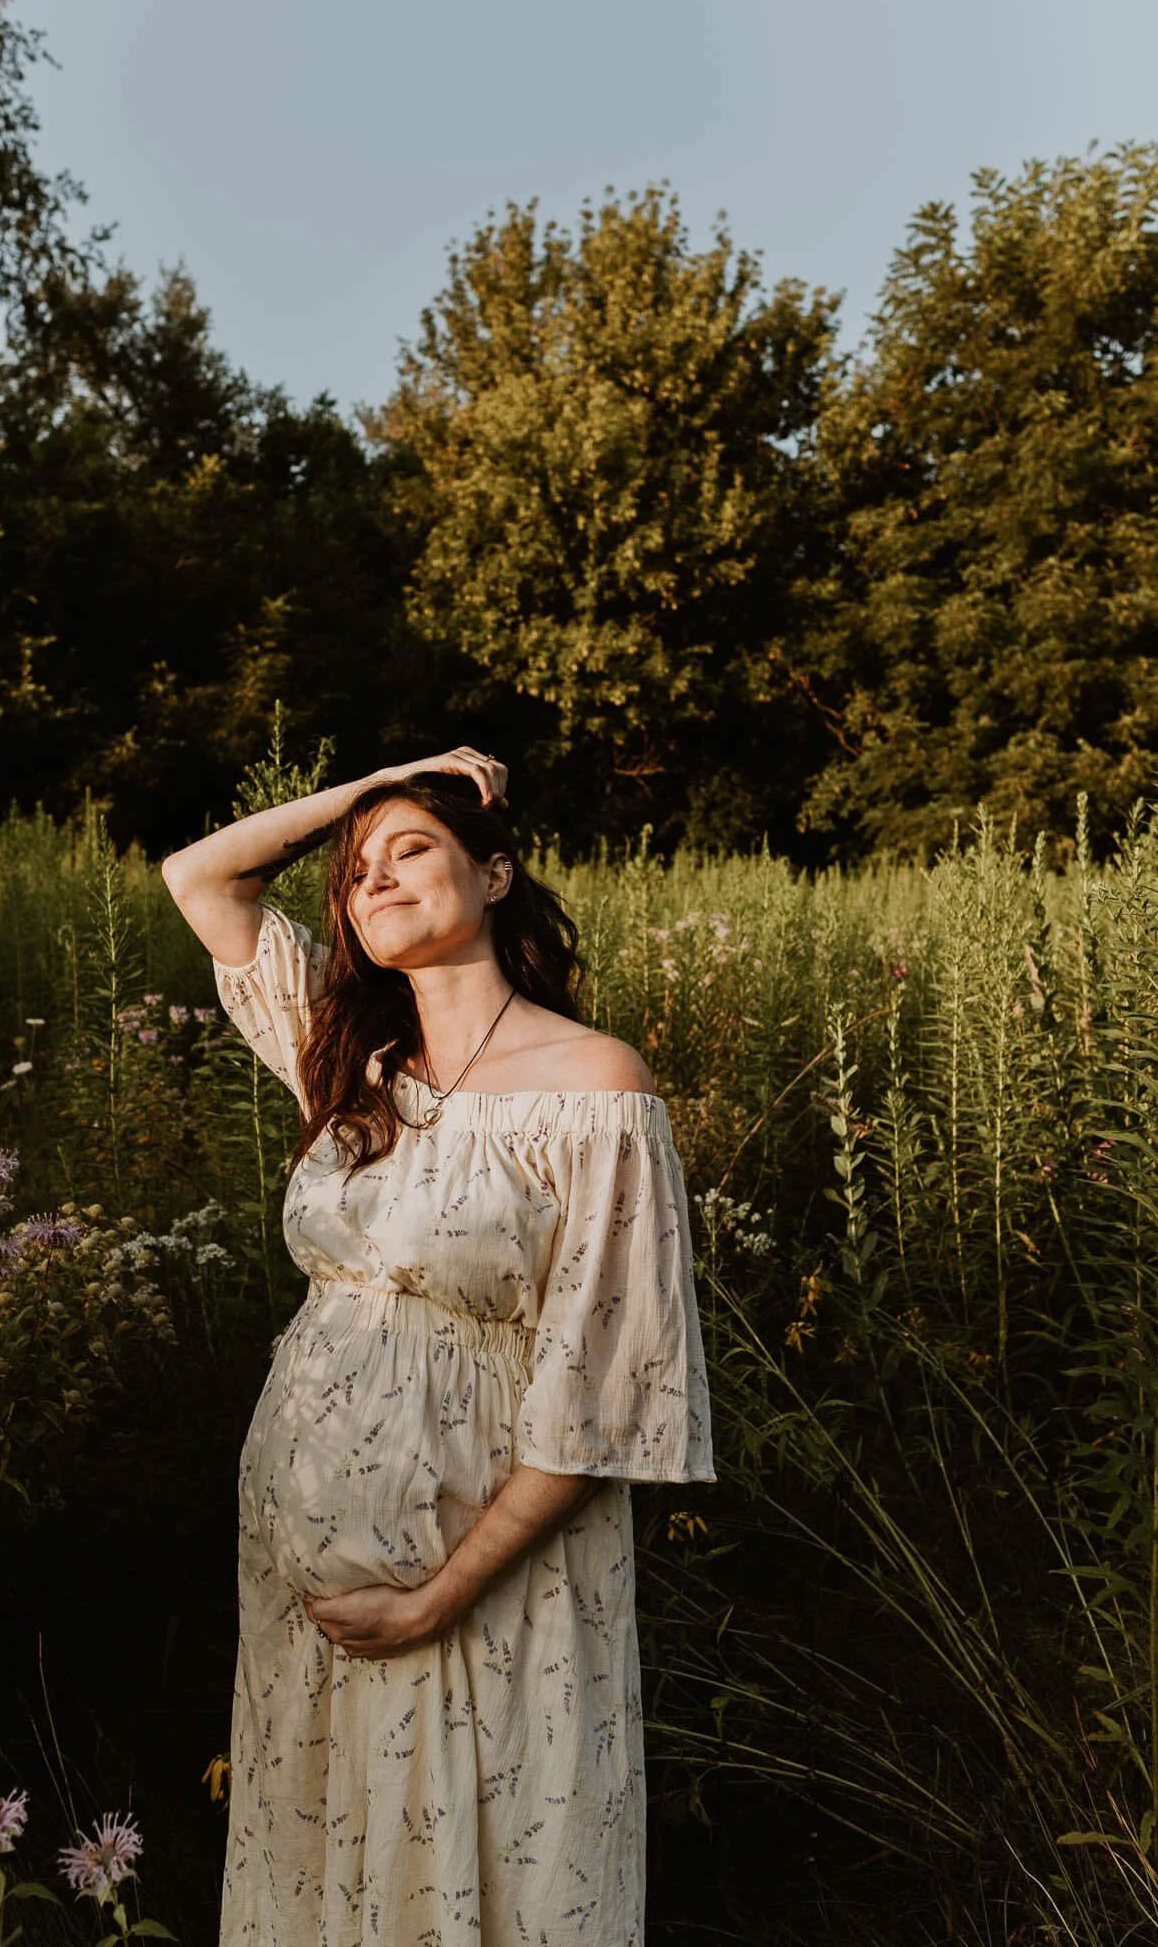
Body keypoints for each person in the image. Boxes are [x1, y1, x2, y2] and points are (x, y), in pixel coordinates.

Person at [161, 746, 716, 1946]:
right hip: (308, 1596)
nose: (376, 878)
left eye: (413, 848)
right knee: (325, 1868)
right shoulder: (345, 1062)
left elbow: (607, 1390)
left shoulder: (593, 1083)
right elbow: (201, 876)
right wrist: (388, 780)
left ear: (498, 870)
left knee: (481, 1873)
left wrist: (439, 1595)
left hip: (482, 1585)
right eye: (358, 874)